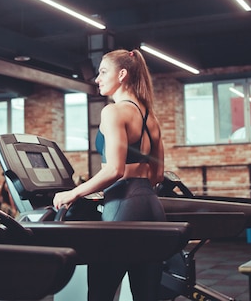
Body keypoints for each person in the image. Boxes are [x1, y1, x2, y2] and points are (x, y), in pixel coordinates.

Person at [53, 49, 166, 301]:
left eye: (103, 72)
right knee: (146, 296)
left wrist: (74, 192)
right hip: (151, 207)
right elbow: (157, 174)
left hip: (123, 208)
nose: (97, 78)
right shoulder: (150, 116)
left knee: (100, 293)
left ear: (122, 74)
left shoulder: (113, 112)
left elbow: (114, 170)